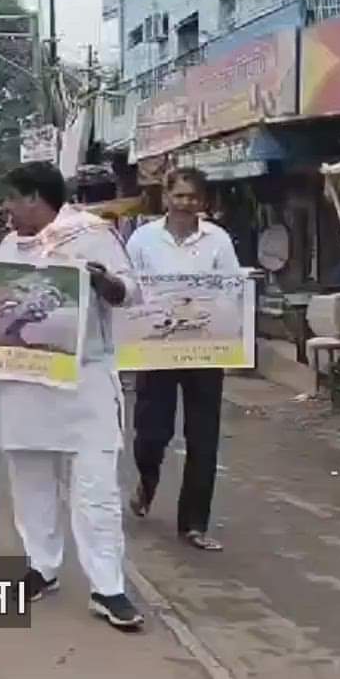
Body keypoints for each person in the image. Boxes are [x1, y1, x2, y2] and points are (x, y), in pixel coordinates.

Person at [0, 162, 145, 630]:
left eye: (11, 201)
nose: (6, 210)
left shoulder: (92, 235)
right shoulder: (5, 246)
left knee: (96, 490)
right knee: (31, 481)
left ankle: (108, 586)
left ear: (35, 198)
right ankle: (42, 567)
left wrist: (102, 281)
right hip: (24, 381)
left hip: (85, 381)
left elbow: (131, 292)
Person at [125, 168, 241, 552]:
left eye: (193, 196)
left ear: (202, 202)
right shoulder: (143, 239)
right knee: (151, 432)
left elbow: (230, 290)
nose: (186, 202)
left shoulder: (218, 240)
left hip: (205, 349)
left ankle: (194, 524)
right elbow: (128, 289)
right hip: (156, 347)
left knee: (203, 438)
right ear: (166, 197)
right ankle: (148, 479)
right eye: (179, 195)